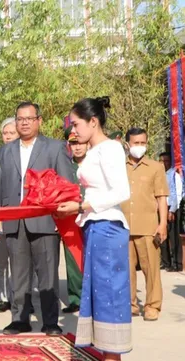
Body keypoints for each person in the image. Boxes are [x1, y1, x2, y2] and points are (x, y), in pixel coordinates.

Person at [56, 97, 132, 360]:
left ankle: (113, 356)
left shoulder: (110, 148)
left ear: (93, 122)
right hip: (95, 226)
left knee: (110, 293)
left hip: (108, 227)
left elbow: (121, 191)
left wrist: (80, 206)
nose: (73, 130)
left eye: (76, 124)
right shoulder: (94, 151)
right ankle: (108, 354)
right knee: (99, 293)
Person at [0, 101, 74, 336]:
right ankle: (19, 319)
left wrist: (63, 214)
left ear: (39, 120)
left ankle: (50, 321)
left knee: (47, 273)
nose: (24, 122)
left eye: (29, 118)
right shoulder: (5, 151)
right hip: (14, 220)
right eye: (20, 119)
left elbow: (67, 184)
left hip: (45, 220)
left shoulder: (55, 148)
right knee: (18, 273)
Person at [120, 127, 168, 321]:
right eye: (135, 143)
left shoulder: (156, 167)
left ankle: (152, 305)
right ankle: (130, 304)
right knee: (125, 269)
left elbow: (162, 197)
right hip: (122, 226)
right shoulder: (118, 166)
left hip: (148, 226)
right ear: (127, 144)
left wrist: (162, 223)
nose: (139, 147)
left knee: (152, 270)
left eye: (143, 143)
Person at [0, 117, 18, 313]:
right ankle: (3, 297)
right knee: (1, 260)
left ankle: (21, 297)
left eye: (11, 133)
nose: (8, 137)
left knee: (22, 260)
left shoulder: (28, 156)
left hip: (21, 216)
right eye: (5, 133)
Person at [61, 126, 86, 314]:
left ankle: (91, 296)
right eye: (73, 143)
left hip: (92, 216)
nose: (77, 147)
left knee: (91, 258)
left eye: (80, 143)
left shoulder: (95, 164)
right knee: (72, 259)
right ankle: (76, 298)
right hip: (70, 219)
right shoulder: (65, 167)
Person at [159, 151, 183, 272]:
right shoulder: (159, 175)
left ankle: (176, 263)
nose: (164, 163)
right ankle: (165, 261)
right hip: (162, 207)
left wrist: (172, 210)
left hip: (172, 208)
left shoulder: (174, 175)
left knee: (174, 236)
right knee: (163, 235)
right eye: (162, 161)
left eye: (166, 161)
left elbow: (178, 193)